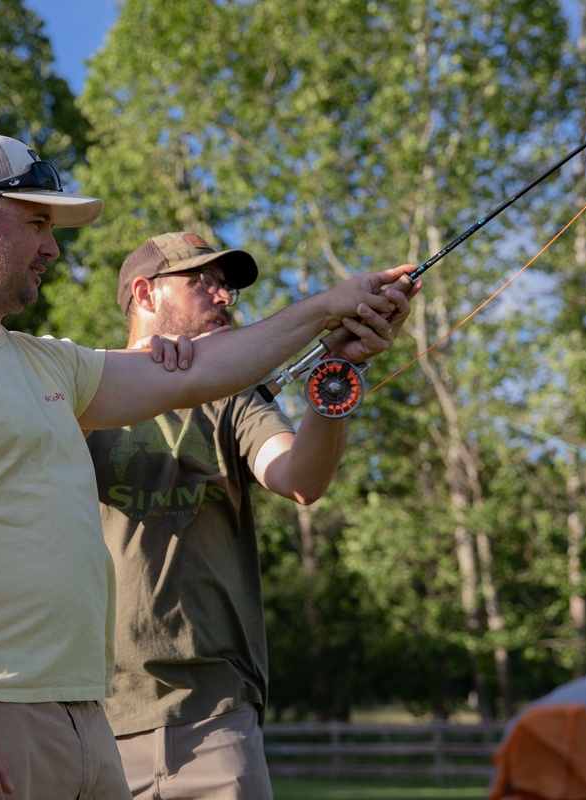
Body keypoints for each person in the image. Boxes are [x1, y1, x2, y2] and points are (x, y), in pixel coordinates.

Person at [0, 133, 416, 800]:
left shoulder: (45, 363)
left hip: (78, 720)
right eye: (38, 222)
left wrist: (333, 307)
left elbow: (211, 369)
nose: (52, 247)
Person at [88, 232, 420, 799]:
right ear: (145, 294)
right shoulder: (79, 388)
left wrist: (336, 370)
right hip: (89, 722)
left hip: (216, 719)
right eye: (203, 283)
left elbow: (299, 478)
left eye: (227, 287)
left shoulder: (236, 399)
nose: (224, 298)